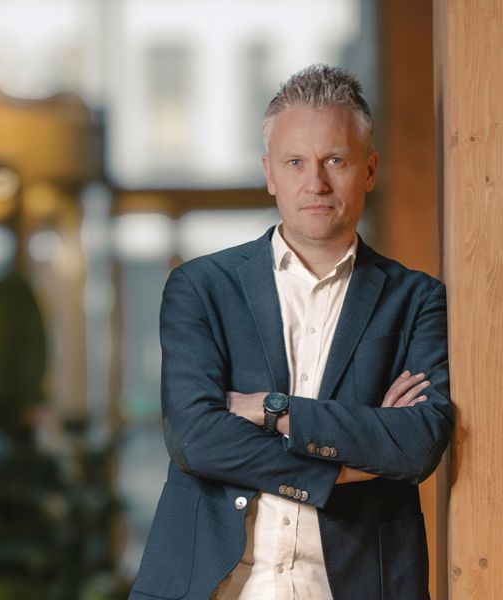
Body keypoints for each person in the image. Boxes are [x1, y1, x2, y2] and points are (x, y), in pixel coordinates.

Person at [129, 64, 452, 600]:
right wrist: (348, 464)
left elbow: (416, 444)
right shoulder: (202, 287)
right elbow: (196, 439)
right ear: (269, 173)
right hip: (216, 587)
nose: (315, 183)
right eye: (295, 162)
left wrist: (270, 410)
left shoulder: (417, 300)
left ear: (369, 169)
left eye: (336, 161)